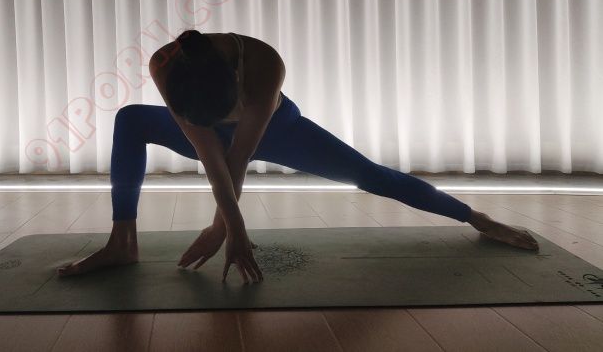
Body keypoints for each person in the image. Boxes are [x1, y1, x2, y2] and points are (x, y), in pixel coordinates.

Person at [58, 29, 539, 283]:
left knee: (368, 174)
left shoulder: (263, 63)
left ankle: (475, 217)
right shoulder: (167, 64)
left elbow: (237, 157)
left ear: (237, 83)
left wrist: (225, 229)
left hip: (276, 132)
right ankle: (122, 243)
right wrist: (230, 227)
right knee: (131, 118)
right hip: (211, 134)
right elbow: (212, 155)